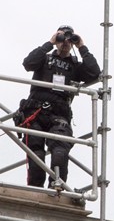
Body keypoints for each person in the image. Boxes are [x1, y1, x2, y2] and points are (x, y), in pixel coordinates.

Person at [18, 25, 101, 188]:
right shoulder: (45, 58)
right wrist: (50, 42)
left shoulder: (75, 65)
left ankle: (57, 186)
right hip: (36, 110)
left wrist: (81, 46)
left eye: (69, 39)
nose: (65, 42)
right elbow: (28, 63)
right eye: (62, 38)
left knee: (60, 151)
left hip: (59, 114)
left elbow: (94, 73)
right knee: (36, 153)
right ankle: (35, 190)